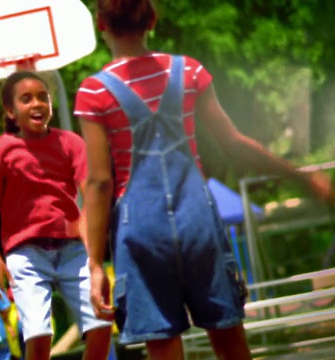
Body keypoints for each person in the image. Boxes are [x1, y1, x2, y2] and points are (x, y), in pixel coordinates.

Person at [75, 1, 335, 359]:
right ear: (152, 18)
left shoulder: (94, 92)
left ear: (100, 23)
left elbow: (100, 183)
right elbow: (234, 144)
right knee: (231, 345)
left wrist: (93, 264)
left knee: (164, 346)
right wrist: (299, 177)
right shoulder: (188, 72)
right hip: (197, 220)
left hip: (142, 233)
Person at [0, 70, 113, 360]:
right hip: (26, 255)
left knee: (101, 323)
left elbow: (90, 200)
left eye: (43, 97)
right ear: (10, 110)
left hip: (73, 249)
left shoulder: (71, 143)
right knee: (39, 334)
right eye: (26, 99)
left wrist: (94, 260)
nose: (37, 104)